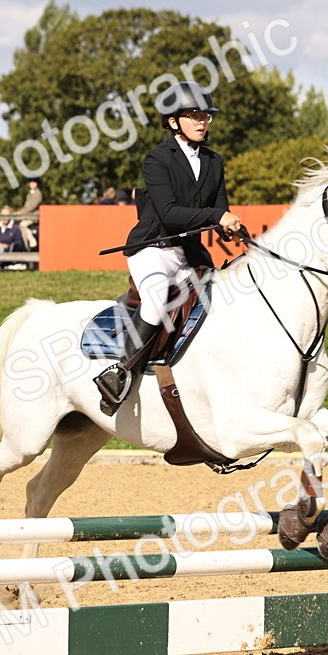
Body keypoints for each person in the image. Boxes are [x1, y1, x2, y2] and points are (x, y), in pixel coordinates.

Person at [92, 81, 241, 415]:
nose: (203, 121)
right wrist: (218, 216)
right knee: (158, 297)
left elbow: (220, 206)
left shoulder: (214, 161)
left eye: (206, 116)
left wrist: (231, 228)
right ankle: (120, 374)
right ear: (174, 121)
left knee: (224, 297)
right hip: (153, 249)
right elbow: (170, 213)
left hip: (187, 254)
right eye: (194, 116)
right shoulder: (158, 158)